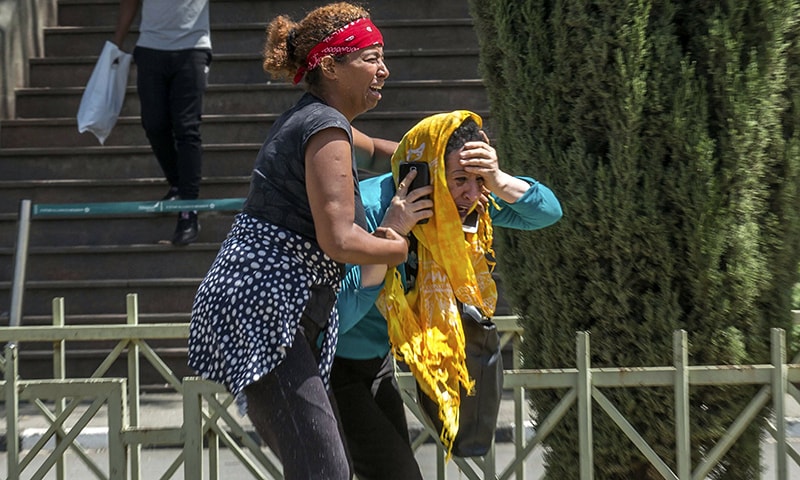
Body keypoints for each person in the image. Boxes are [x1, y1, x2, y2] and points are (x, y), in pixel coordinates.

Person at [188, 3, 409, 479]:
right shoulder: (324, 127)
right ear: (330, 65)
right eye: (370, 58)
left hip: (268, 303)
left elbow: (388, 154)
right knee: (323, 470)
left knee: (323, 468)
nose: (384, 70)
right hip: (265, 303)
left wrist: (444, 150)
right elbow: (341, 240)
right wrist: (398, 245)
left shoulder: (326, 123)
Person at [331, 110, 563, 479]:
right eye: (459, 180)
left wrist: (498, 180)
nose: (471, 194)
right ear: (427, 174)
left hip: (374, 358)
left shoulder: (468, 204)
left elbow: (548, 212)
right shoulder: (374, 209)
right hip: (325, 362)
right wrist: (390, 236)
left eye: (478, 180)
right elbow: (336, 316)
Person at [112, 0, 212, 245]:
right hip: (150, 47)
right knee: (153, 124)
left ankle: (188, 211)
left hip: (193, 47)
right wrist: (116, 42)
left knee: (187, 128)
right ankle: (178, 185)